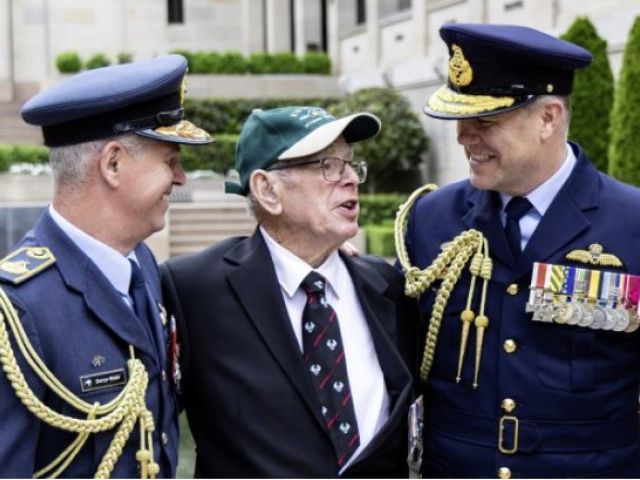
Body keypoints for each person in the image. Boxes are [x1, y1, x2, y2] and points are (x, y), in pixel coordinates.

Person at [398, 23, 640, 478]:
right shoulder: (430, 219)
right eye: (460, 120)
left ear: (548, 117)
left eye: (485, 121)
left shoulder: (632, 223)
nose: (464, 137)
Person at [161, 106, 419, 477]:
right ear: (267, 189)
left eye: (350, 164)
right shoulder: (194, 290)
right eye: (328, 166)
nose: (350, 179)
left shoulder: (387, 287)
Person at [0, 54, 212, 478]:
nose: (181, 177)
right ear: (112, 164)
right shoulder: (18, 311)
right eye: (170, 160)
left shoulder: (142, 266)